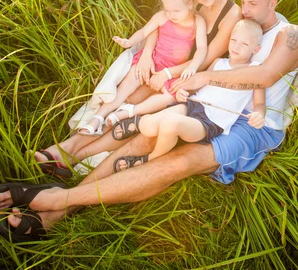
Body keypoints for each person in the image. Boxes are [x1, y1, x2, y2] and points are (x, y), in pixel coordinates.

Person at [0, 0, 298, 241]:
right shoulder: (241, 26)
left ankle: (58, 199)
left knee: (179, 161)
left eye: (253, 4)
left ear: (273, 3)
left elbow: (265, 76)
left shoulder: (290, 35)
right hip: (213, 102)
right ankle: (58, 210)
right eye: (243, 1)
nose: (245, 10)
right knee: (146, 131)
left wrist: (204, 77)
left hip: (251, 125)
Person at [33, 0, 242, 176]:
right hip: (159, 60)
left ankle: (77, 156)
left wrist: (167, 74)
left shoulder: (231, 14)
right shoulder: (192, 0)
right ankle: (68, 147)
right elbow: (160, 23)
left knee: (135, 111)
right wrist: (147, 56)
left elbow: (204, 59)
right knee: (127, 96)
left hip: (187, 77)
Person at [113, 19, 265, 171]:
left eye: (244, 44)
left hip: (211, 121)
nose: (236, 46)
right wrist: (184, 92)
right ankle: (142, 123)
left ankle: (150, 159)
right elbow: (199, 87)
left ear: (256, 49)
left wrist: (259, 115)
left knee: (170, 123)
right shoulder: (218, 62)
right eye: (233, 40)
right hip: (193, 104)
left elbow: (259, 104)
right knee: (149, 125)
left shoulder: (255, 71)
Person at [75, 0, 208, 136]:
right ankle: (97, 118)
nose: (171, 15)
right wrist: (129, 42)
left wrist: (193, 65)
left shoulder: (197, 22)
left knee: (170, 97)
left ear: (189, 4)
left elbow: (202, 48)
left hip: (172, 70)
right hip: (152, 61)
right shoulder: (162, 17)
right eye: (167, 10)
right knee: (124, 89)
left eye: (176, 11)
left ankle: (129, 111)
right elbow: (145, 31)